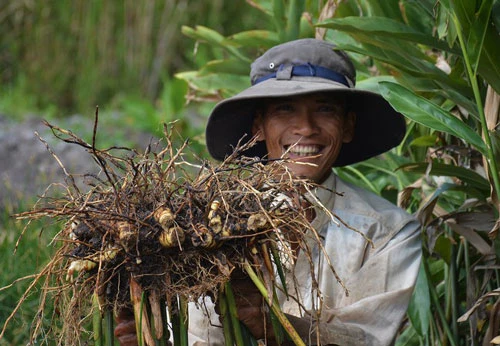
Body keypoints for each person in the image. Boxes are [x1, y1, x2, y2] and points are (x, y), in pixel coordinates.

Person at [115, 38, 422, 346]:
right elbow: (197, 335)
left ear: (348, 126)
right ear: (259, 126)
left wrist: (271, 322)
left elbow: (367, 340)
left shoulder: (388, 231)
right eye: (285, 109)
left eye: (325, 109)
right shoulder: (206, 225)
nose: (306, 127)